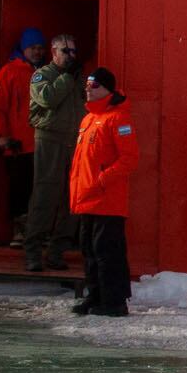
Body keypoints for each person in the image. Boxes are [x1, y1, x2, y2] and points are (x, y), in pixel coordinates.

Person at [69, 66, 140, 316]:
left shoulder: (119, 118)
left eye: (94, 85)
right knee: (89, 249)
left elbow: (130, 158)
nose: (88, 89)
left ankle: (114, 301)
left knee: (107, 251)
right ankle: (95, 295)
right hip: (87, 197)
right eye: (87, 84)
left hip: (107, 199)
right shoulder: (88, 119)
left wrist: (103, 179)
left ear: (107, 89)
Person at [20, 33, 86, 272]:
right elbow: (48, 99)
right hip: (49, 139)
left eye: (74, 52)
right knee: (45, 195)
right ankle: (33, 251)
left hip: (74, 140)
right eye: (66, 51)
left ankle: (57, 251)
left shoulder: (78, 77)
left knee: (71, 198)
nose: (71, 56)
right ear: (54, 52)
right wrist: (68, 77)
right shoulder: (42, 75)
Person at [0, 31, 45, 247]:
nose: (37, 52)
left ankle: (39, 231)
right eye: (33, 48)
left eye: (40, 47)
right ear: (24, 48)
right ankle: (20, 231)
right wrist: (1, 135)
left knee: (41, 188)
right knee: (20, 189)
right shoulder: (9, 72)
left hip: (42, 143)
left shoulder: (45, 72)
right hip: (18, 144)